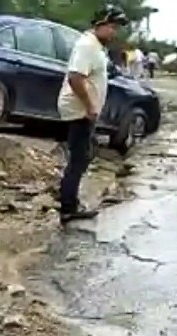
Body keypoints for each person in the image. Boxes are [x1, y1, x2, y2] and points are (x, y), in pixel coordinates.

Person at [57, 4, 128, 225]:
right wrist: (90, 106)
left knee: (83, 155)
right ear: (100, 24)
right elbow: (75, 77)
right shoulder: (87, 45)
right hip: (79, 110)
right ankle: (68, 208)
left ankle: (71, 201)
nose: (114, 32)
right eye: (112, 27)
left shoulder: (95, 46)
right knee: (79, 159)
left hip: (84, 110)